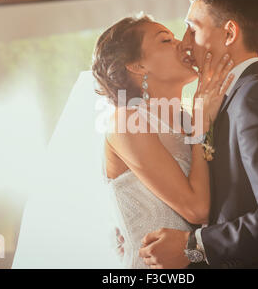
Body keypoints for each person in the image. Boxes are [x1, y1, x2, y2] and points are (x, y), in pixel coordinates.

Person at [138, 0, 258, 269]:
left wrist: (192, 246)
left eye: (192, 29)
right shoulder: (231, 99)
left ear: (230, 33)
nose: (184, 43)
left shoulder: (257, 97)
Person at [93, 14, 235, 268]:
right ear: (137, 65)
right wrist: (201, 128)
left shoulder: (190, 119)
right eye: (166, 40)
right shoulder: (127, 121)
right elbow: (198, 209)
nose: (181, 43)